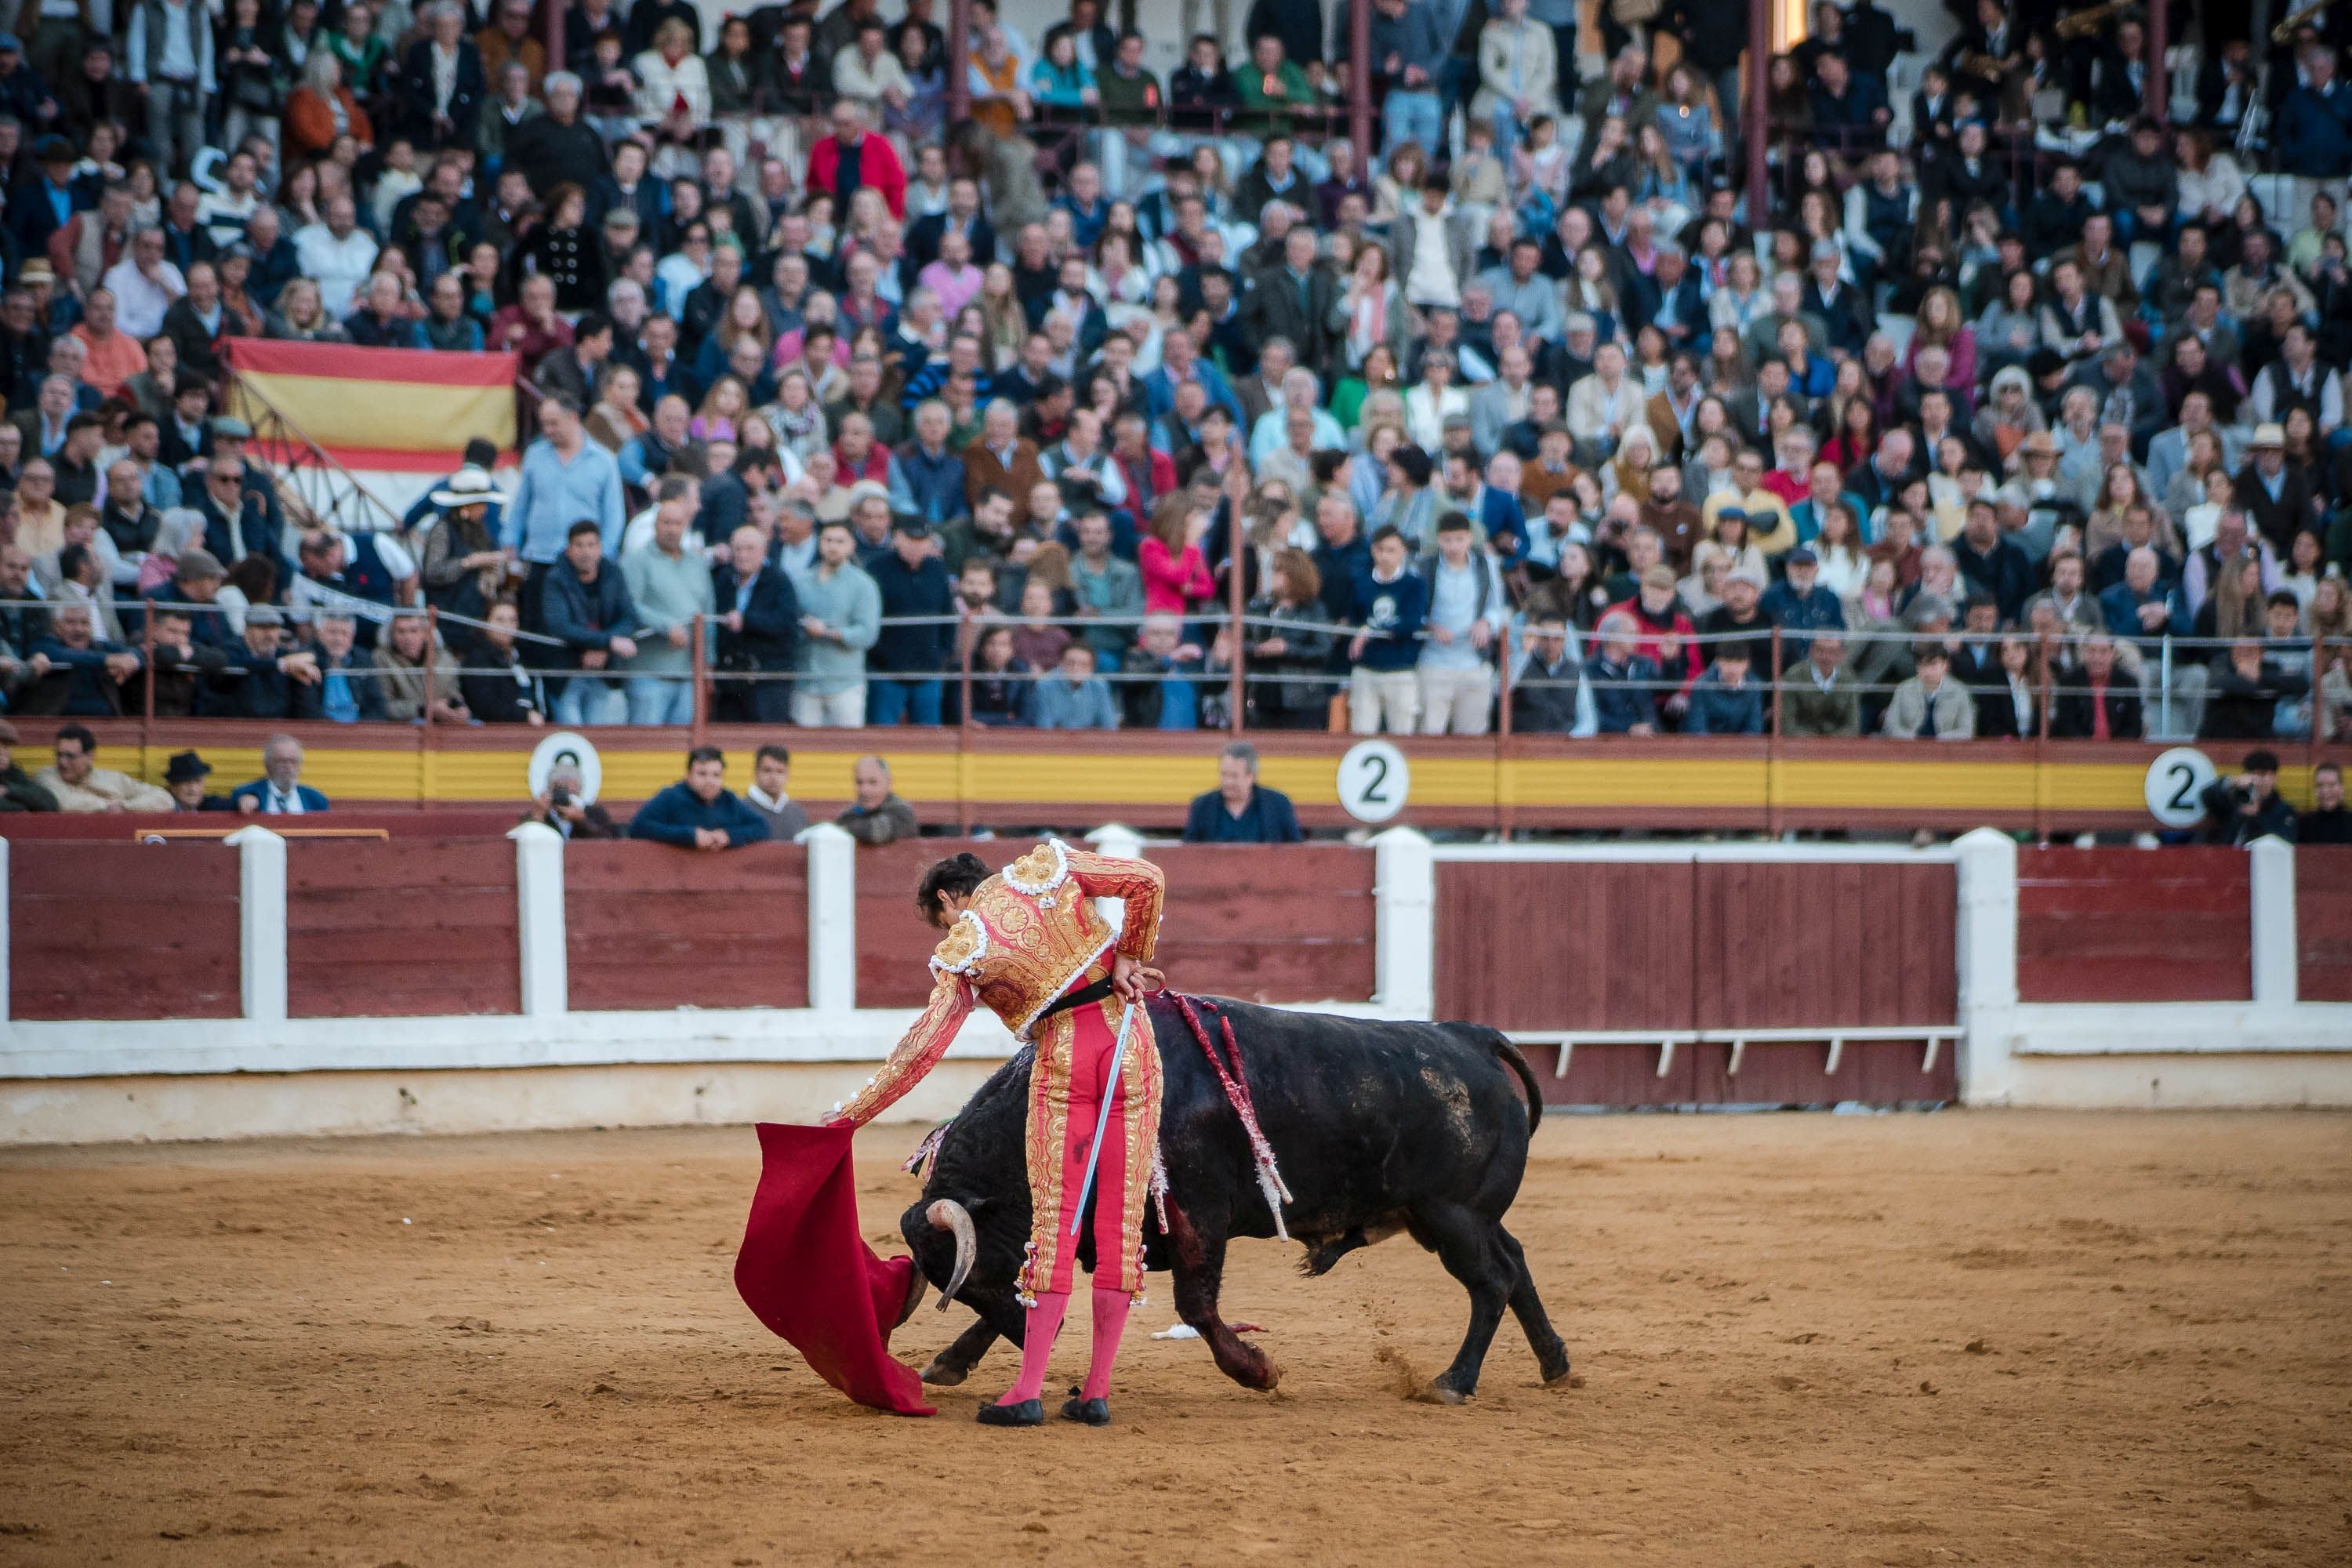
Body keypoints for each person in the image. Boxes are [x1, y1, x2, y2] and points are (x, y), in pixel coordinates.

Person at [826, 839, 1167, 1428]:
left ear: (947, 900)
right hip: (1133, 1048)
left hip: (1063, 1060)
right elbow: (1147, 879)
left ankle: (1028, 1390)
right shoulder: (1050, 868)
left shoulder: (964, 946)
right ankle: (1096, 1392)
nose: (945, 932)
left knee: (1055, 1223)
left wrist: (848, 1116)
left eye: (941, 922)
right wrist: (1129, 958)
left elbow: (921, 1051)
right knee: (1117, 1224)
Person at [629, 744, 771, 849]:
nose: (710, 781)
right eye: (702, 774)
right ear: (688, 776)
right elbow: (639, 827)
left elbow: (762, 827)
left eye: (716, 775)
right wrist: (689, 836)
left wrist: (729, 836)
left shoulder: (729, 800)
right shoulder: (670, 797)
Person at [1183, 741, 1303, 843]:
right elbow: (1189, 854)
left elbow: (1297, 852)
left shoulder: (1279, 804)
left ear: (1251, 777)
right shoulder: (1202, 806)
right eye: (1224, 774)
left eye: (1234, 776)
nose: (1227, 782)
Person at [35, 724, 174, 811]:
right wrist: (107, 807)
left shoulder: (114, 779)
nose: (63, 762)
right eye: (59, 755)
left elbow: (164, 799)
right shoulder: (47, 776)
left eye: (70, 757)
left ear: (89, 757)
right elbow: (62, 802)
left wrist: (125, 807)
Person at [2198, 749, 2296, 846]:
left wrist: (2255, 818)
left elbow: (2282, 843)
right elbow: (2207, 796)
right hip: (2227, 856)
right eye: (2252, 774)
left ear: (2274, 777)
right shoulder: (2236, 801)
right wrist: (2231, 782)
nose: (2256, 781)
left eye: (2262, 775)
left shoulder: (2284, 811)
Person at [1882, 643, 1973, 739]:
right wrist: (1912, 738)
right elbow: (1890, 726)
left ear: (1945, 665)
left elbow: (1966, 730)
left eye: (1933, 665)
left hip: (1947, 749)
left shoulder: (1959, 691)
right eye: (1923, 665)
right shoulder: (1904, 689)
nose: (1928, 671)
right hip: (1909, 747)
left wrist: (1941, 739)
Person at [524, 756, 621, 838]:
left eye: (570, 793)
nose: (564, 796)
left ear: (579, 791)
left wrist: (582, 821)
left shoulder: (595, 813)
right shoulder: (542, 813)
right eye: (559, 791)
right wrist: (538, 815)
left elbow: (610, 842)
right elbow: (523, 840)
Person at [233, 733, 332, 813]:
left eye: (293, 761)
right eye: (280, 761)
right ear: (267, 764)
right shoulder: (247, 794)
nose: (288, 766)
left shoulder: (316, 800)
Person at [836, 754, 919, 844]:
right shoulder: (857, 810)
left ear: (888, 783)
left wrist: (845, 830)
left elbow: (877, 831)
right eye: (859, 782)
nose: (865, 790)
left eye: (873, 782)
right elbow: (842, 822)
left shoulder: (901, 812)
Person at [744, 742, 811, 837]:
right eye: (767, 770)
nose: (774, 777)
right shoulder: (739, 810)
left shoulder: (797, 813)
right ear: (755, 772)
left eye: (780, 771)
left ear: (787, 775)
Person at [0, 720, 60, 811]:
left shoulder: (11, 772)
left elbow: (50, 802)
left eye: (6, 747)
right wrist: (24, 807)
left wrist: (9, 791)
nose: (2, 753)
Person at [161, 749, 231, 812]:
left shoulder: (210, 805)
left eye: (198, 781)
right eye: (186, 782)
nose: (193, 788)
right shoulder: (160, 807)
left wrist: (240, 794)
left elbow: (235, 803)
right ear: (173, 787)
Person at [2299, 761, 2351, 844]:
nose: (2325, 791)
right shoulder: (2304, 825)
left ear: (2342, 788)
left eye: (2332, 785)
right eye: (2320, 785)